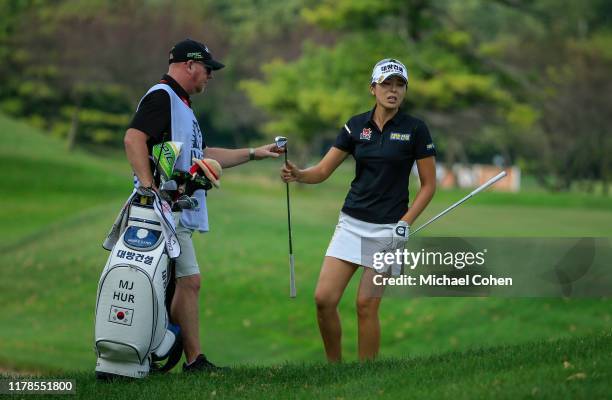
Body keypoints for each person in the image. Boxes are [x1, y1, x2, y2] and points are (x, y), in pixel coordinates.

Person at [124, 38, 282, 372]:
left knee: (174, 283)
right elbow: (133, 138)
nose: (210, 76)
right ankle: (191, 359)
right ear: (190, 65)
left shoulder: (181, 105)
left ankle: (163, 353)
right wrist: (151, 189)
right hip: (161, 211)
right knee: (189, 281)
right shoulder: (162, 97)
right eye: (207, 69)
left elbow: (204, 156)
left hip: (174, 211)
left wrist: (255, 152)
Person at [280, 58, 437, 362]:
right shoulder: (355, 126)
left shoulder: (416, 129)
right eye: (386, 84)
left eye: (399, 85)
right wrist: (299, 174)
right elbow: (323, 170)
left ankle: (365, 374)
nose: (393, 91)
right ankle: (334, 369)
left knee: (366, 304)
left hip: (389, 230)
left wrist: (405, 223)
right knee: (323, 300)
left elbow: (429, 185)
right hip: (351, 224)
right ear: (373, 88)